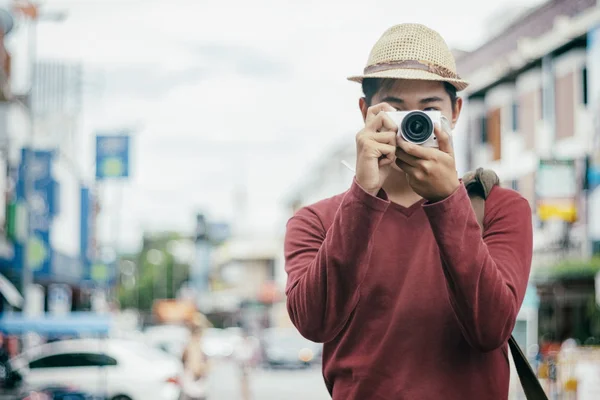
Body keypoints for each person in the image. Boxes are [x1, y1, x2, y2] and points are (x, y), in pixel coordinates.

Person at [284, 23, 533, 399]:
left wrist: (448, 201)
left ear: (455, 112)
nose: (413, 125)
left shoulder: (500, 208)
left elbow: (491, 329)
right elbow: (312, 322)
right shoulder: (315, 221)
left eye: (429, 111)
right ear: (365, 112)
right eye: (395, 111)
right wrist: (364, 196)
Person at [181, 314, 211, 400]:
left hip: (192, 388)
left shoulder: (190, 344)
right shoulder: (194, 345)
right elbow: (196, 368)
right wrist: (207, 366)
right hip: (195, 389)